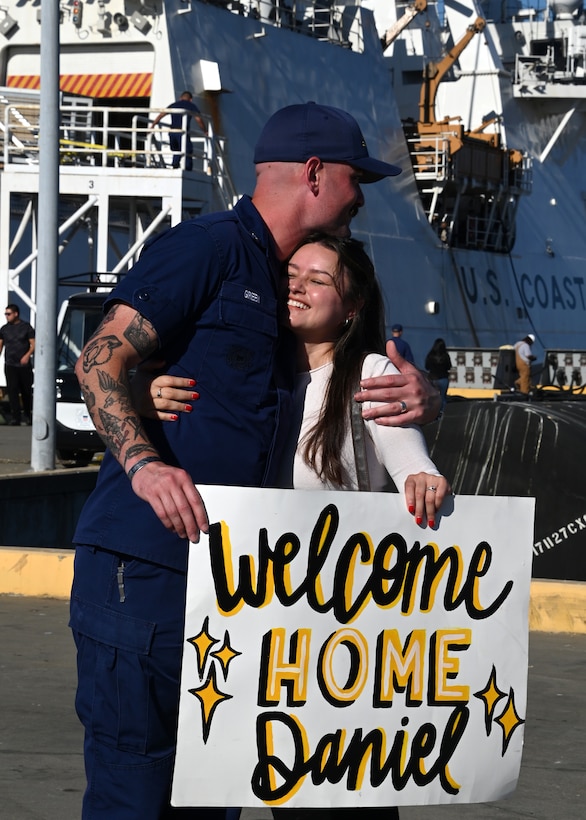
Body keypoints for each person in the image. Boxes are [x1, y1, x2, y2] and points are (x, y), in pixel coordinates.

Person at [70, 101, 441, 820]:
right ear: (314, 173)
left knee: (214, 803)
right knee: (138, 796)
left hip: (234, 594)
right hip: (145, 571)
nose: (361, 197)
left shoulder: (281, 286)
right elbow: (96, 361)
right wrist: (146, 464)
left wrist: (426, 397)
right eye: (355, 177)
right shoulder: (209, 247)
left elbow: (331, 385)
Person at [145, 235, 451, 820]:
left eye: (318, 279)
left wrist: (423, 476)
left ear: (353, 307)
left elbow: (408, 455)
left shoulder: (368, 371)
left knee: (341, 795)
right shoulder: (254, 371)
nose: (297, 286)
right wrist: (144, 392)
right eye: (292, 273)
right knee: (280, 791)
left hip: (341, 624)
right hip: (260, 620)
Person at [150, 91, 206, 170]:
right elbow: (198, 119)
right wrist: (205, 130)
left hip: (172, 132)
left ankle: (175, 166)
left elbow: (161, 115)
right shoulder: (191, 106)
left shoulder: (174, 105)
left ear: (180, 98)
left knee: (176, 150)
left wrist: (153, 125)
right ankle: (187, 169)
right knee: (187, 150)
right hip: (181, 132)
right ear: (191, 99)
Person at [0, 304, 35, 426]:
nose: (7, 316)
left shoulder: (26, 328)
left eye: (8, 314)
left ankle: (28, 415)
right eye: (5, 314)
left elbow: (33, 344)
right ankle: (16, 417)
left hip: (24, 366)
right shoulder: (4, 329)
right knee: (12, 390)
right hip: (10, 364)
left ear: (16, 314)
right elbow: (1, 344)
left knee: (25, 391)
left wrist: (27, 355)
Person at [424, 337, 452, 409]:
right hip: (443, 378)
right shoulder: (445, 356)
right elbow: (449, 367)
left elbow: (426, 367)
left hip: (433, 379)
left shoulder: (430, 355)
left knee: (432, 398)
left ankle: (433, 413)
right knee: (443, 398)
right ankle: (442, 413)